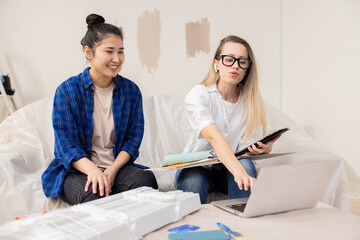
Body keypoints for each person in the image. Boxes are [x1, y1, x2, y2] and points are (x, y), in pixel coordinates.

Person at [41, 14, 157, 205]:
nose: (116, 59)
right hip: (77, 171)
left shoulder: (131, 91)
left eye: (121, 51)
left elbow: (133, 139)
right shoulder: (68, 91)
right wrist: (94, 171)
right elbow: (66, 145)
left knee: (146, 182)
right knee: (95, 194)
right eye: (109, 51)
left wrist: (112, 170)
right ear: (89, 53)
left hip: (116, 168)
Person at [176, 35, 280, 204]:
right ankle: (195, 230)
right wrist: (238, 171)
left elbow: (246, 149)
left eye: (242, 61)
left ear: (247, 69)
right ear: (216, 63)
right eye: (229, 59)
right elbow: (214, 137)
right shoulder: (198, 95)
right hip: (198, 168)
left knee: (246, 165)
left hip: (230, 171)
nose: (235, 66)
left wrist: (264, 148)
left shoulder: (251, 103)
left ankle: (240, 226)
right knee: (194, 179)